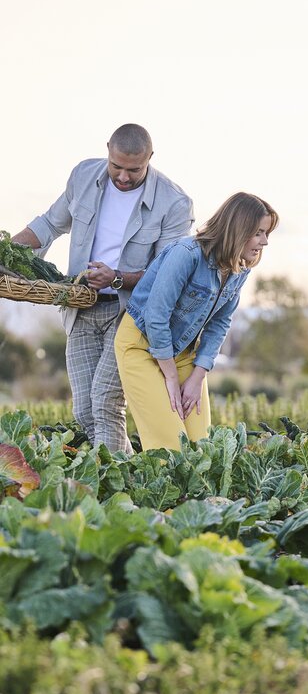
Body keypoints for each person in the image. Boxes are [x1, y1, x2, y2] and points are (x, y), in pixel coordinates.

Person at [11, 123, 194, 453]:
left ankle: (110, 489)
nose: (123, 177)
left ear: (150, 158)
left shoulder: (174, 202)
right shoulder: (84, 175)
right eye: (117, 166)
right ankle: (123, 477)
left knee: (105, 403)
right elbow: (49, 224)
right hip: (80, 306)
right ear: (108, 149)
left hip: (128, 314)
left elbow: (169, 272)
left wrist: (117, 277)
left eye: (133, 170)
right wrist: (7, 252)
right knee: (84, 411)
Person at [115, 192, 279, 451]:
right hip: (141, 345)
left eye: (266, 233)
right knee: (170, 445)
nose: (265, 241)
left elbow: (220, 324)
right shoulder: (186, 254)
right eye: (259, 232)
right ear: (239, 229)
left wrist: (197, 376)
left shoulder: (240, 269)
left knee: (200, 446)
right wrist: (170, 376)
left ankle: (194, 495)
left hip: (182, 351)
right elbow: (157, 315)